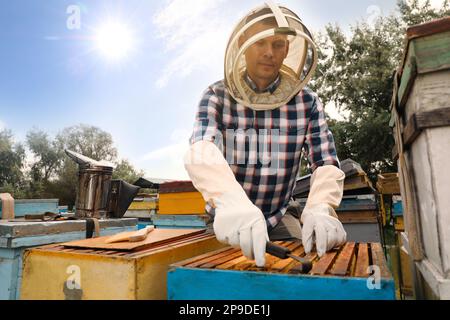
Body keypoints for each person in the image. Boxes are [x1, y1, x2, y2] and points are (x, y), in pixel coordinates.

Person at [184, 2, 346, 267]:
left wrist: (321, 207)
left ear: (287, 50)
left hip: (278, 216)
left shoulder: (307, 102)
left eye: (278, 44)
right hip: (228, 219)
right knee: (212, 278)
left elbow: (325, 161)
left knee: (309, 269)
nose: (269, 53)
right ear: (244, 44)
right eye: (260, 42)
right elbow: (202, 148)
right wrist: (230, 202)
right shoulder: (217, 96)